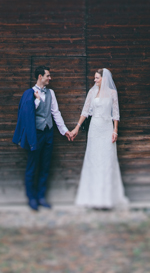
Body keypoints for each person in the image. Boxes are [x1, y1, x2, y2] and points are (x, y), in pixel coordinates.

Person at [13, 65, 71, 211]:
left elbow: (55, 113)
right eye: (48, 76)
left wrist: (65, 131)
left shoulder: (51, 93)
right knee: (32, 166)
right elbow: (27, 114)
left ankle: (41, 197)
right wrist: (37, 100)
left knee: (45, 166)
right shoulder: (29, 93)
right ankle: (31, 198)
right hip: (35, 134)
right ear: (40, 77)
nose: (50, 78)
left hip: (48, 134)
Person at [70, 68, 128, 209]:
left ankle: (107, 198)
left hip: (107, 128)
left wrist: (115, 130)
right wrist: (77, 127)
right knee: (94, 160)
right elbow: (85, 111)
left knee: (107, 161)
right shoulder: (92, 92)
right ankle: (92, 197)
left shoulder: (113, 93)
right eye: (94, 78)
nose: (94, 80)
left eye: (97, 78)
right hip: (95, 128)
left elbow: (116, 113)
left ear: (104, 79)